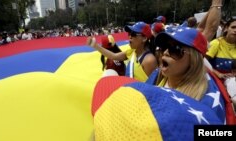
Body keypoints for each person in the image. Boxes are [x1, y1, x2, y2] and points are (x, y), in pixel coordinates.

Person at [90, 27, 236, 141]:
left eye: (175, 50)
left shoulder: (210, 103)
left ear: (194, 59)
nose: (165, 52)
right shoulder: (158, 73)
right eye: (164, 47)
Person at [87, 21, 158, 82]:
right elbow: (113, 56)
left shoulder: (149, 60)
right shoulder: (131, 52)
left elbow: (152, 87)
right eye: (129, 34)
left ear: (144, 38)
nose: (130, 37)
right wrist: (95, 45)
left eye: (133, 34)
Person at [205, 18, 236, 107]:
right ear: (226, 28)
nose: (235, 30)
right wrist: (217, 73)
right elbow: (202, 61)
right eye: (233, 27)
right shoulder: (216, 43)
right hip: (215, 83)